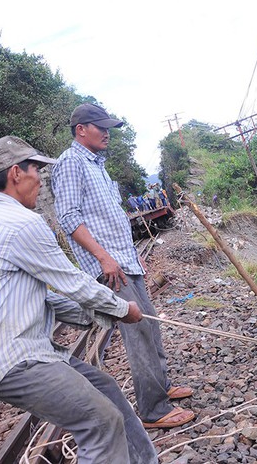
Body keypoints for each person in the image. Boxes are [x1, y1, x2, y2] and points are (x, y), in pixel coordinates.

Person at [0, 135, 157, 463]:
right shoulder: (20, 224)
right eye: (36, 169)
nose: (40, 178)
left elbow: (40, 296)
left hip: (10, 354)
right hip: (16, 359)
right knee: (100, 422)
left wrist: (94, 316)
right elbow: (72, 281)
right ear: (16, 173)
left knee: (107, 391)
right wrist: (121, 309)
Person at [52, 103, 195, 429]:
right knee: (138, 330)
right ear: (81, 130)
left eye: (108, 128)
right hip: (110, 267)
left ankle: (162, 387)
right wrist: (104, 257)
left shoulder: (96, 164)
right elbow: (70, 218)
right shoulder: (71, 163)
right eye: (100, 127)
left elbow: (109, 219)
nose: (106, 133)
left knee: (150, 324)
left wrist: (130, 253)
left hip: (124, 261)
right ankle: (153, 409)